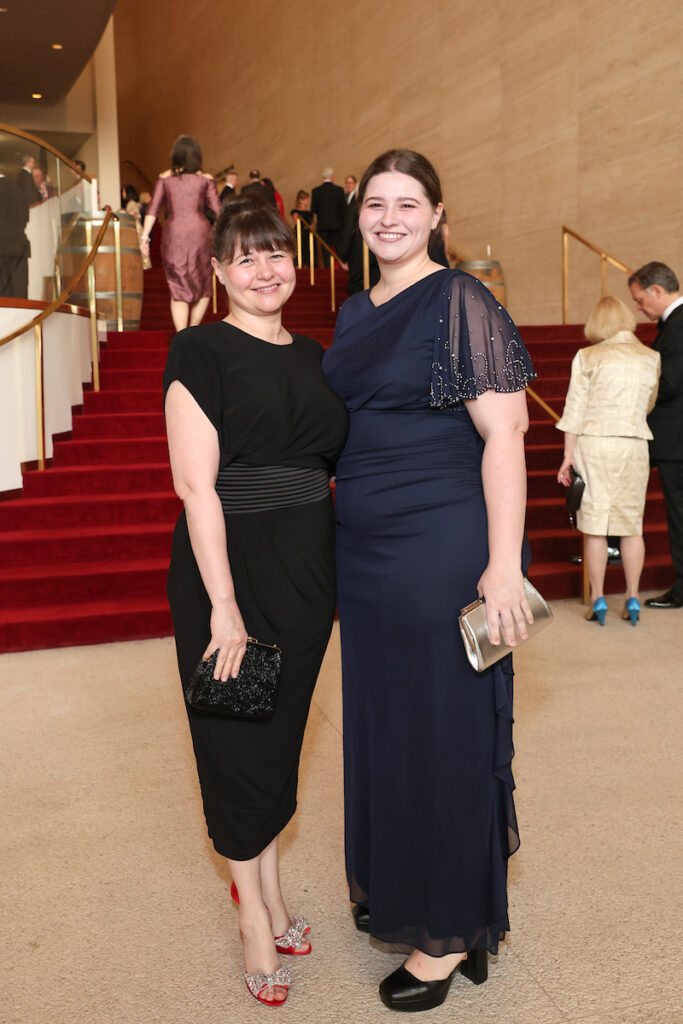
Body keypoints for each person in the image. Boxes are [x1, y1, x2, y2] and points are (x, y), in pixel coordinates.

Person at [322, 149, 536, 1012]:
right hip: (365, 554)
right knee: (387, 726)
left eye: (408, 203)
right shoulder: (352, 309)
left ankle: (448, 934)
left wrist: (501, 563)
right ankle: (405, 886)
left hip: (440, 542)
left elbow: (505, 434)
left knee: (442, 732)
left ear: (438, 215)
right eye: (375, 203)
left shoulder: (458, 299)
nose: (389, 218)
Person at [163, 195, 348, 1007]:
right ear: (217, 272)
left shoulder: (315, 355)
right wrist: (223, 605)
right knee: (237, 742)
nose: (264, 270)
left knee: (279, 740)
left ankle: (270, 895)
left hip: (306, 572)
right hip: (229, 570)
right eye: (244, 258)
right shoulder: (199, 349)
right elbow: (196, 487)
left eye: (275, 253)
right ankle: (251, 922)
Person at [556, 296, 661, 625]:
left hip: (595, 444)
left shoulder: (588, 356)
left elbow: (574, 411)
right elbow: (649, 404)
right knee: (632, 526)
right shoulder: (651, 357)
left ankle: (598, 599)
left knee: (595, 527)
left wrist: (567, 457)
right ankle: (633, 597)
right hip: (634, 444)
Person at [628, 262, 683, 609]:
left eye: (640, 299)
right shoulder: (674, 324)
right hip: (671, 436)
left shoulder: (678, 326)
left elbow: (670, 383)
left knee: (679, 516)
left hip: (675, 439)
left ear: (657, 291)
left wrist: (630, 395)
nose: (639, 307)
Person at [140, 135, 221, 332]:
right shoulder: (206, 179)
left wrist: (144, 237)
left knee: (177, 287)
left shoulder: (165, 178)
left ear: (175, 155)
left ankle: (182, 335)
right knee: (204, 284)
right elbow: (218, 211)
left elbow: (153, 209)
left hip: (174, 235)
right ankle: (193, 329)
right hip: (201, 234)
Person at [0, 172, 30, 298]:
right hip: (20, 248)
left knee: (3, 297)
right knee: (19, 293)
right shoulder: (17, 190)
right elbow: (25, 218)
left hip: (1, 248)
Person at [310, 167, 346, 261]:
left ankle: (328, 268)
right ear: (331, 177)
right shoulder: (339, 190)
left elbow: (313, 209)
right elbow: (343, 209)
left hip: (323, 226)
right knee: (340, 250)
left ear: (323, 177)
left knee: (325, 251)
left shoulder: (316, 191)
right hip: (337, 226)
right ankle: (343, 267)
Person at [290, 189, 314, 266]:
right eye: (306, 199)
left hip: (308, 234)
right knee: (300, 250)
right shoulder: (295, 211)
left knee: (309, 252)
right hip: (300, 233)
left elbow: (313, 225)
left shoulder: (309, 212)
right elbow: (296, 222)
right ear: (301, 200)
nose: (308, 200)